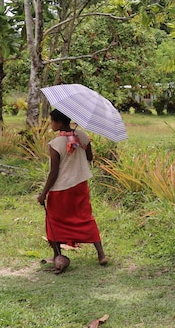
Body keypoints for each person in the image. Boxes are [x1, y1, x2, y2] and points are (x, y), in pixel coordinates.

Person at [37, 109, 108, 270]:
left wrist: (43, 193)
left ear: (59, 123)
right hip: (80, 185)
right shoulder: (82, 136)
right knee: (85, 217)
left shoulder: (55, 144)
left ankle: (57, 255)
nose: (51, 124)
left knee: (54, 220)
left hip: (61, 189)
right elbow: (90, 158)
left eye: (52, 121)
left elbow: (54, 172)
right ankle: (101, 254)